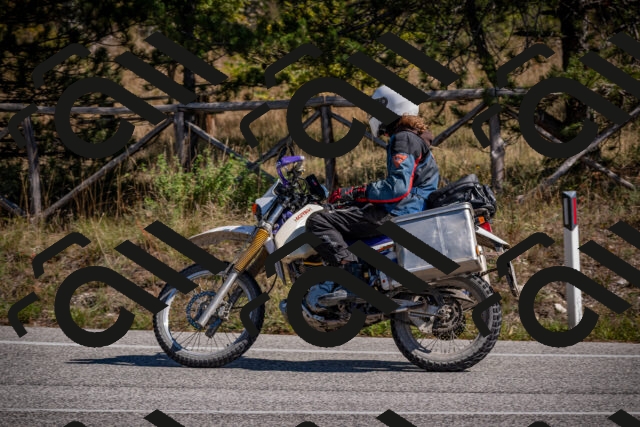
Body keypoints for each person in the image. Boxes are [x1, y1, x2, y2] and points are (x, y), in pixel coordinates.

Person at [305, 85, 439, 299]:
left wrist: (356, 192)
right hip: (408, 208)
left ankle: (352, 279)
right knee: (342, 212)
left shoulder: (403, 139)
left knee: (318, 221)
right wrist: (356, 197)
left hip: (400, 212)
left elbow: (397, 188)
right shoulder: (411, 136)